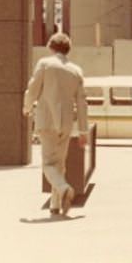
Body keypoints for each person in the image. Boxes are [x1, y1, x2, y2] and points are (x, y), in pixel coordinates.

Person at [23, 32, 88, 216]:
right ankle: (55, 204)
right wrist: (83, 130)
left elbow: (33, 88)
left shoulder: (45, 64)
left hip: (47, 119)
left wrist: (27, 107)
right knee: (59, 163)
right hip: (67, 122)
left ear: (51, 47)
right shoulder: (76, 70)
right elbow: (82, 102)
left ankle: (64, 188)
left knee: (48, 164)